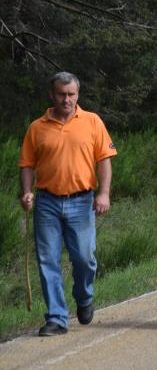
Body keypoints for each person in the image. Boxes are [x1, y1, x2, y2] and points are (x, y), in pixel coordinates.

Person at [19, 72, 117, 336]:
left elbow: (104, 160)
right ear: (52, 95)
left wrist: (104, 193)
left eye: (71, 94)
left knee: (84, 258)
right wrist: (27, 192)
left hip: (82, 200)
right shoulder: (37, 127)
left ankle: (84, 298)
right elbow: (27, 164)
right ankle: (57, 318)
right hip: (47, 202)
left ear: (78, 95)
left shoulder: (92, 122)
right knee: (47, 260)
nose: (66, 99)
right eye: (61, 94)